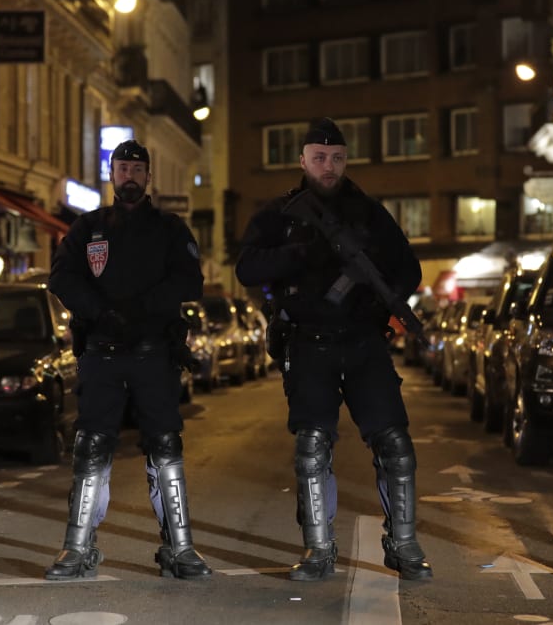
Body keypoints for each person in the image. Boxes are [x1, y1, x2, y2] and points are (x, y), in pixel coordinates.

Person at [235, 117, 432, 582]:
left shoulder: (368, 212)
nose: (329, 166)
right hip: (309, 344)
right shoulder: (281, 214)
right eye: (319, 158)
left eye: (337, 158)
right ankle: (318, 550)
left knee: (396, 446)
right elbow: (246, 267)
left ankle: (403, 545)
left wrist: (376, 295)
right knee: (312, 448)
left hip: (363, 342)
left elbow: (408, 270)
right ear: (302, 160)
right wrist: (299, 253)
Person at [45, 139, 212, 581]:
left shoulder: (170, 229)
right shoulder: (88, 228)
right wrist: (102, 312)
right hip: (101, 351)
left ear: (148, 176)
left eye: (137, 169)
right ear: (112, 174)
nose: (130, 176)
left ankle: (180, 548)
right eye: (123, 168)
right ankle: (77, 549)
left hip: (153, 351)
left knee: (165, 446)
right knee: (92, 445)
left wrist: (142, 309)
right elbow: (61, 276)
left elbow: (189, 279)